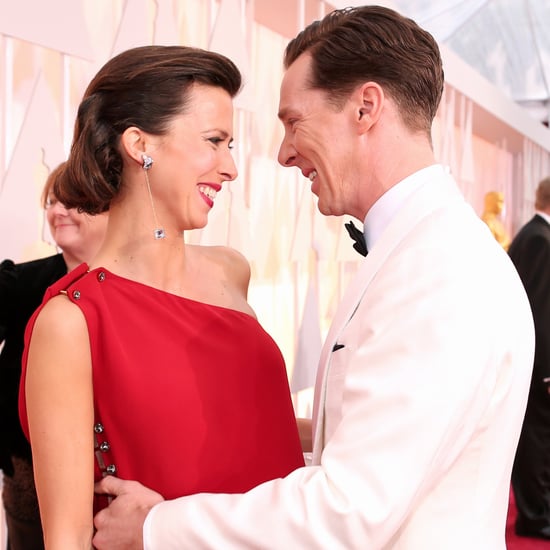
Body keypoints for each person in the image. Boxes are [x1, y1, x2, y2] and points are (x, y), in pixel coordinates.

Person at [91, 6, 536, 549]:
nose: (281, 153)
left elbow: (348, 510)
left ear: (365, 108)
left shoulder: (440, 272)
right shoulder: (423, 255)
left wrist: (156, 529)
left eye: (293, 121)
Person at [18, 46, 304, 549]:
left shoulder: (231, 271)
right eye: (214, 142)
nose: (230, 167)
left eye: (230, 144)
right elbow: (65, 539)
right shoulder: (71, 322)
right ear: (139, 144)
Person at [0, 162, 108, 550]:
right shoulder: (17, 283)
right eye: (52, 201)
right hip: (29, 478)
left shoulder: (138, 286)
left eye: (72, 202)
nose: (58, 210)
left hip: (114, 484)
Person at [508, 176, 550, 540]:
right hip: (538, 365)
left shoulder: (532, 234)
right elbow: (541, 311)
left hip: (530, 361)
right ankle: (535, 518)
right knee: (536, 440)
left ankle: (536, 513)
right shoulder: (540, 239)